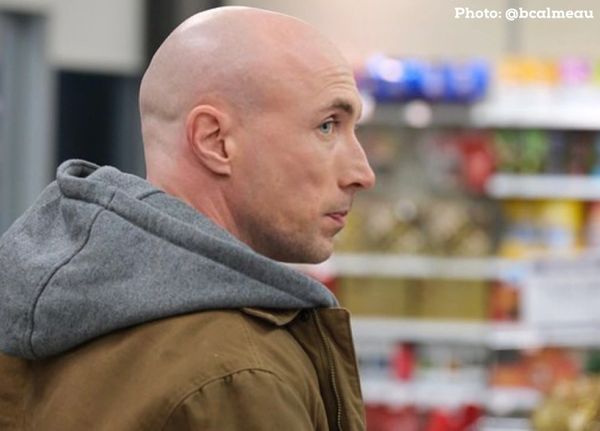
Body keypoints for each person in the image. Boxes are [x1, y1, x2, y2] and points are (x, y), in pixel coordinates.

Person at [0, 6, 375, 430]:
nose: (362, 173)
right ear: (215, 141)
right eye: (327, 126)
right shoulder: (238, 378)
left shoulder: (33, 308)